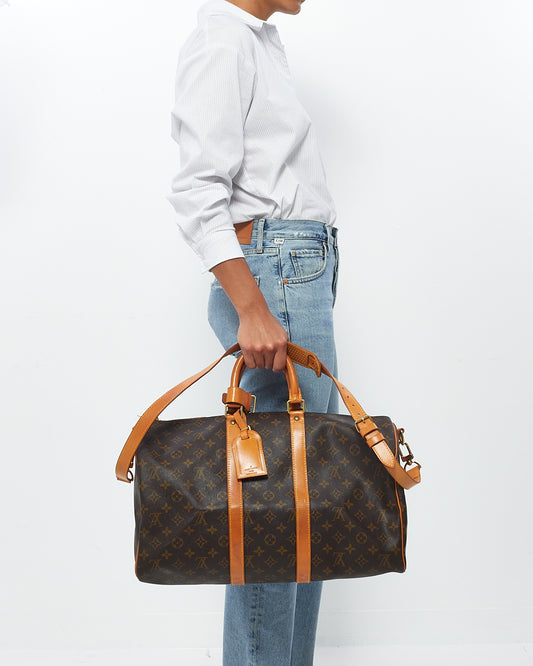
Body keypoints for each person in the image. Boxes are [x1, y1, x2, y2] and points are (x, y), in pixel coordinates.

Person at [167, 1, 339, 663]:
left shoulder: (258, 41)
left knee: (300, 497)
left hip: (293, 268)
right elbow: (197, 189)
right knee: (277, 501)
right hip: (276, 272)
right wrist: (252, 305)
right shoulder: (223, 42)